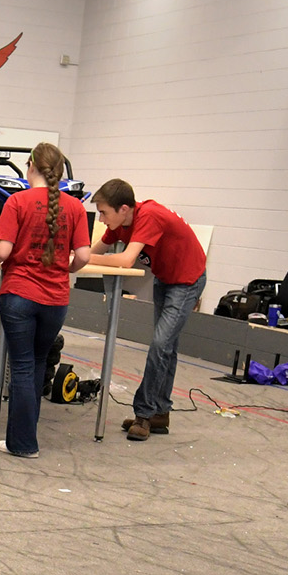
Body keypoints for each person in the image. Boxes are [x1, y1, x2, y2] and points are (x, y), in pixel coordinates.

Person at [0, 143, 90, 459]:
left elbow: (2, 251)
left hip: (20, 294)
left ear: (31, 166)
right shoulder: (75, 207)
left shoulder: (17, 201)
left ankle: (23, 443)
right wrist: (64, 268)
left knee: (22, 366)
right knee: (37, 364)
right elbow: (83, 256)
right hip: (55, 299)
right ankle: (25, 435)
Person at [88, 180, 207, 442]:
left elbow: (124, 259)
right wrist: (74, 255)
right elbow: (94, 250)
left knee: (160, 344)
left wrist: (80, 258)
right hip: (165, 278)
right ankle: (160, 412)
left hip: (187, 281)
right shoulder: (119, 225)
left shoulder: (148, 216)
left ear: (123, 209)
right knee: (166, 347)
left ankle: (143, 413)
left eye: (104, 212)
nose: (101, 218)